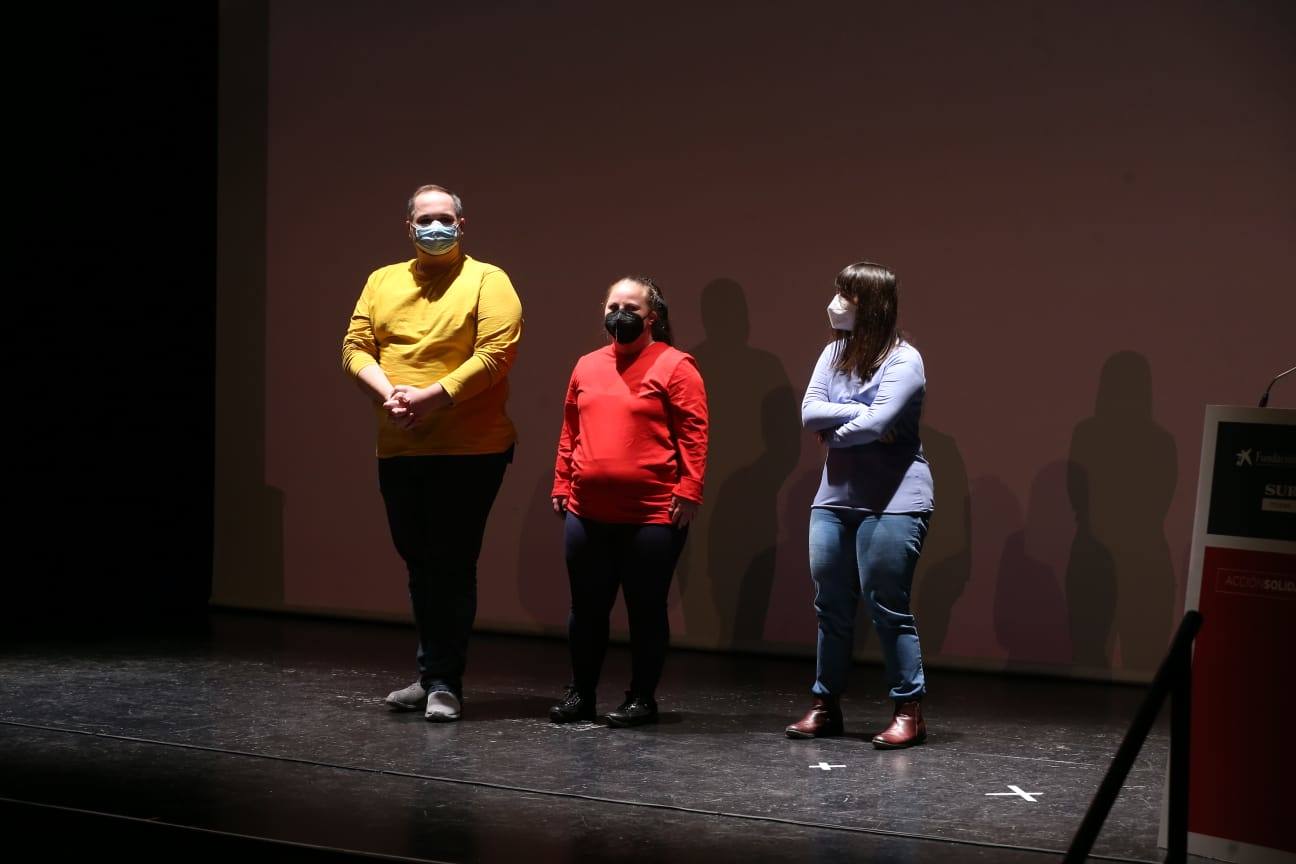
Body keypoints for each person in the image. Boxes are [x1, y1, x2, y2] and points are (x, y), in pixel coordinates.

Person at [341, 184, 522, 722]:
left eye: (445, 218)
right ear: (409, 226)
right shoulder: (383, 280)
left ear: (462, 225)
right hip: (400, 444)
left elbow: (496, 355)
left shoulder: (488, 280)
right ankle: (431, 673)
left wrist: (429, 396)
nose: (435, 227)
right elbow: (356, 346)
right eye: (426, 219)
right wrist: (388, 393)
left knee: (450, 561)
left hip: (470, 448)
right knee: (419, 563)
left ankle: (445, 682)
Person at [785, 261, 934, 748]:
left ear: (870, 305)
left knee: (886, 604)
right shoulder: (833, 353)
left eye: (846, 295)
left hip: (895, 499)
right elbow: (811, 412)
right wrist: (861, 415)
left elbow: (879, 425)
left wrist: (841, 430)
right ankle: (825, 704)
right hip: (835, 498)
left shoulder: (905, 360)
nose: (835, 303)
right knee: (831, 605)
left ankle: (909, 710)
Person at [548, 276, 708, 727]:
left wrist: (689, 489)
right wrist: (562, 483)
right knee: (587, 609)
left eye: (630, 307)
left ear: (651, 317)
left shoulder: (676, 366)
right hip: (587, 510)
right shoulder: (587, 365)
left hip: (652, 514)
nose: (619, 313)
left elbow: (694, 434)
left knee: (645, 609)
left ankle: (642, 698)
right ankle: (580, 694)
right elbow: (570, 430)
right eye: (613, 304)